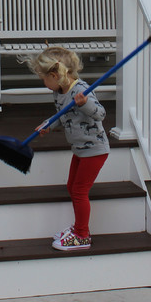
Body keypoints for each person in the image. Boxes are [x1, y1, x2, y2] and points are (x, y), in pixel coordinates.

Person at [26, 46, 110, 251]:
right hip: (80, 149)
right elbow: (62, 115)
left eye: (43, 78)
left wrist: (84, 105)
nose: (43, 82)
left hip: (95, 149)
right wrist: (49, 124)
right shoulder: (59, 91)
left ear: (54, 75)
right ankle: (78, 228)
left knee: (80, 191)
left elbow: (100, 114)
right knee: (72, 187)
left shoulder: (81, 90)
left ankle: (82, 236)